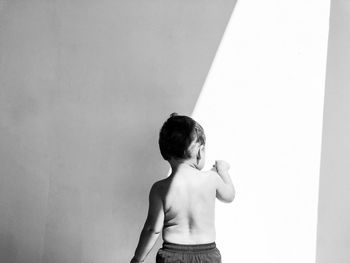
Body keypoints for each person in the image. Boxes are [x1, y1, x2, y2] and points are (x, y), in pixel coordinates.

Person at [130, 113, 235, 263]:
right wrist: (223, 170)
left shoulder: (160, 189)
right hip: (207, 255)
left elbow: (152, 229)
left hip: (173, 255)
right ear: (200, 151)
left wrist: (137, 259)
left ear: (166, 153)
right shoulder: (211, 179)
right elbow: (229, 195)